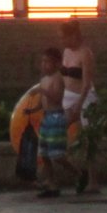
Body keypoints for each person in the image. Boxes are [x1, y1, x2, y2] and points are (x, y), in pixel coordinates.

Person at [31, 47, 77, 197]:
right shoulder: (43, 79)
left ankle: (77, 173)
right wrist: (33, 109)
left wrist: (42, 91)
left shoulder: (58, 78)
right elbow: (43, 101)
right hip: (46, 118)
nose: (44, 65)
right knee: (44, 153)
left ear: (57, 63)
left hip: (57, 117)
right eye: (42, 62)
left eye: (47, 62)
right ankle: (51, 182)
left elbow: (57, 98)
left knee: (57, 155)